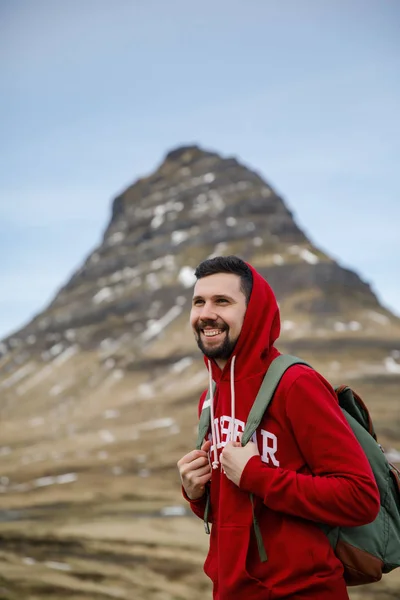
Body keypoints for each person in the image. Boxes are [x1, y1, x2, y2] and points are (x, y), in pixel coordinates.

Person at [177, 255, 380, 600]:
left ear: (253, 310)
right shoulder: (210, 399)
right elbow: (237, 512)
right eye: (199, 301)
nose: (206, 313)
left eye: (222, 301)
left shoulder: (297, 384)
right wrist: (196, 495)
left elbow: (360, 497)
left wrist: (258, 475)